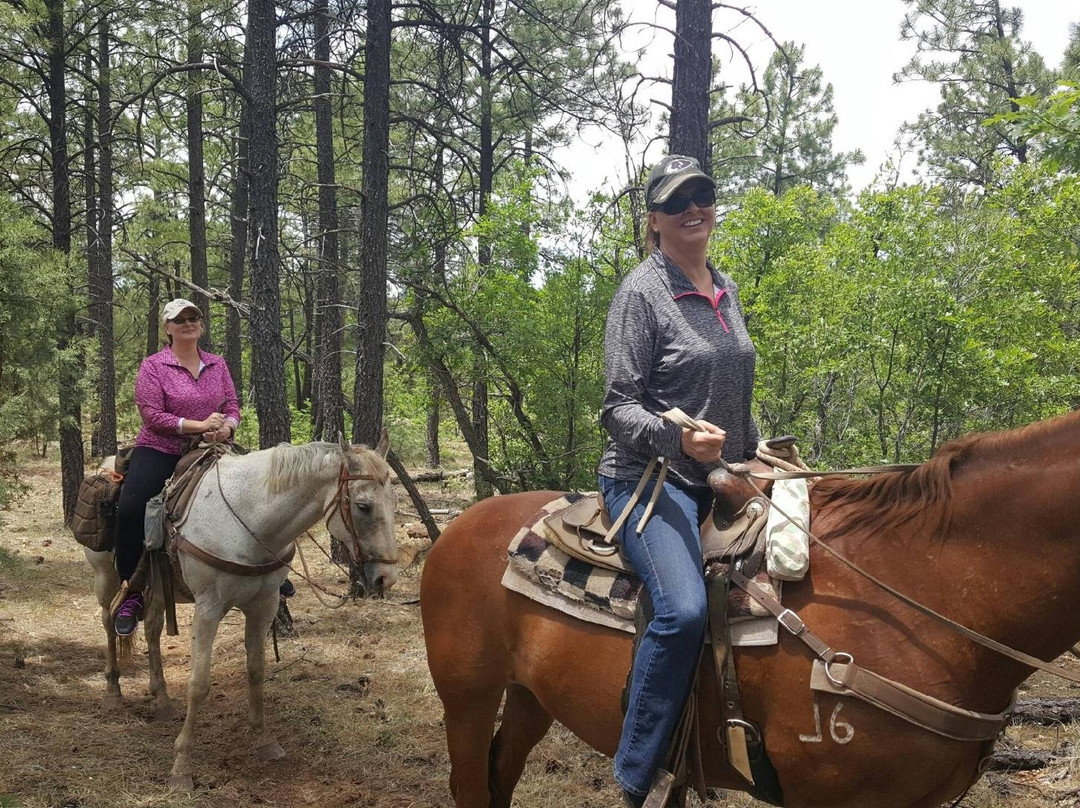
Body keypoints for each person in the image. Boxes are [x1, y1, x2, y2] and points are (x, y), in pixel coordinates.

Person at [598, 155, 762, 807]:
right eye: (677, 201)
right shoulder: (642, 292)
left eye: (704, 194)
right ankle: (636, 775)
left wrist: (760, 453)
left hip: (723, 476)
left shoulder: (725, 286)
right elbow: (618, 407)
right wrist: (679, 438)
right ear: (655, 222)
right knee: (685, 609)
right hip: (648, 478)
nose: (695, 207)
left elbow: (735, 392)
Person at [112, 298, 240, 636]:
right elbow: (152, 416)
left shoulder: (217, 364)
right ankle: (132, 592)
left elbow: (232, 405)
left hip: (212, 447)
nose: (188, 323)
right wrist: (198, 425)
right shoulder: (153, 366)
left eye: (194, 317)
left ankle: (271, 574)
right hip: (161, 449)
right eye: (180, 319)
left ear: (201, 324)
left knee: (255, 492)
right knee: (130, 508)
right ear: (167, 328)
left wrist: (227, 426)